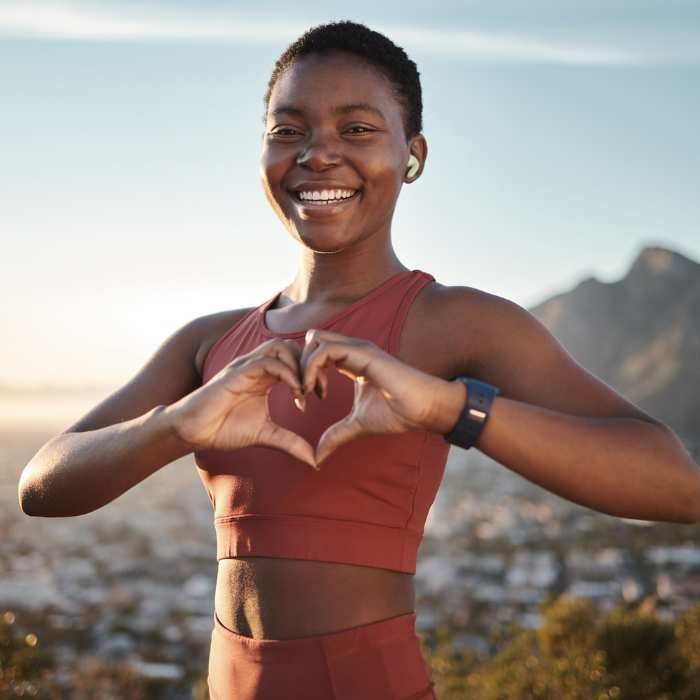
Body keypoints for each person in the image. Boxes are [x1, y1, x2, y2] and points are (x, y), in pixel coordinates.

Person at [18, 19, 700, 700]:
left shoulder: (457, 321)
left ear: (414, 154)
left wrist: (449, 408)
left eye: (357, 129)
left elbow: (675, 484)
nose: (318, 154)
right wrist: (174, 428)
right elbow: (43, 486)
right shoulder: (209, 341)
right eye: (289, 130)